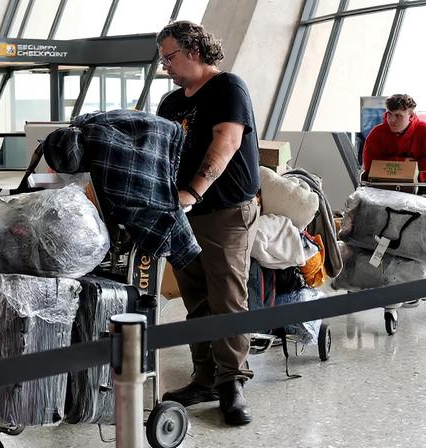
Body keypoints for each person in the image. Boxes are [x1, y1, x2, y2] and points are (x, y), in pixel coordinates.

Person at [155, 20, 260, 426]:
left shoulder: (228, 88)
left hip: (224, 211)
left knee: (228, 299)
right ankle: (204, 376)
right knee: (196, 298)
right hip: (182, 214)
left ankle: (232, 383)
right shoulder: (171, 103)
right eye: (163, 59)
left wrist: (194, 192)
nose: (165, 66)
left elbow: (227, 142)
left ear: (194, 52)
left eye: (170, 57)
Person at [362, 93, 426, 183]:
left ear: (411, 116)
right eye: (389, 114)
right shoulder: (377, 133)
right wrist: (404, 163)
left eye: (398, 116)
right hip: (382, 186)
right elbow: (370, 165)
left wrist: (405, 170)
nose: (392, 120)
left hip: (418, 187)